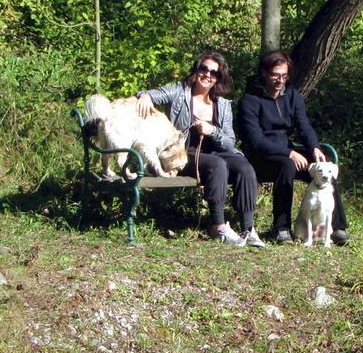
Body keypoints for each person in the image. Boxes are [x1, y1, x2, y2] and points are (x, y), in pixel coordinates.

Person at [136, 52, 265, 247]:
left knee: (244, 167)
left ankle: (248, 228)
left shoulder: (222, 104)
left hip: (215, 153)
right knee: (217, 164)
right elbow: (153, 94)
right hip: (181, 154)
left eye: (214, 73)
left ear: (219, 78)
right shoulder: (179, 91)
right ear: (196, 71)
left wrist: (212, 130)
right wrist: (144, 96)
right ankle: (218, 225)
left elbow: (230, 142)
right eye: (203, 69)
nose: (207, 75)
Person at [236, 50, 349, 245]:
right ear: (264, 73)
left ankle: (336, 227)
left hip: (288, 150)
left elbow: (303, 126)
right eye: (275, 75)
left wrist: (314, 148)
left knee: (325, 167)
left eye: (284, 75)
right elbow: (255, 140)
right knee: (287, 165)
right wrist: (289, 152)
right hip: (260, 157)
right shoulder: (249, 100)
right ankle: (281, 228)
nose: (280, 80)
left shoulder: (293, 96)